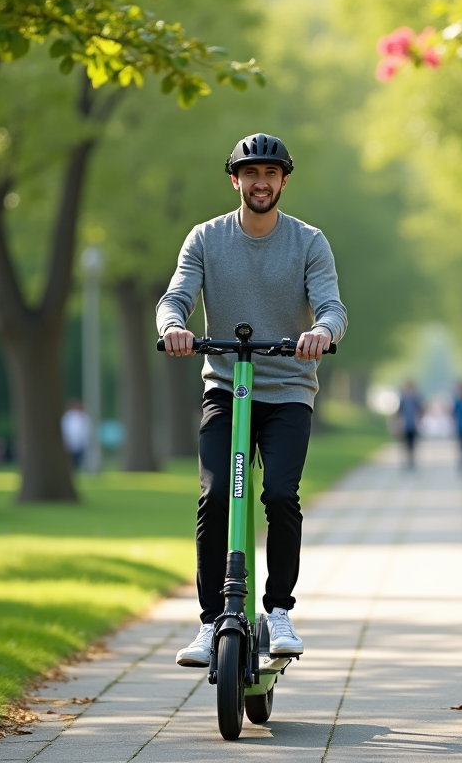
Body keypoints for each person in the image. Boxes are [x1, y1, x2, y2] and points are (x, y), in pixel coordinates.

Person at [156, 133, 347, 666]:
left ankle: (278, 610)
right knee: (217, 497)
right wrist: (174, 326)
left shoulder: (309, 242)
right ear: (234, 179)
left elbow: (332, 307)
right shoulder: (205, 238)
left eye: (271, 173)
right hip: (226, 389)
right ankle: (210, 619)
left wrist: (321, 333)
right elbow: (176, 296)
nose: (260, 183)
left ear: (284, 180)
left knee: (281, 495)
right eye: (250, 173)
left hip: (287, 392)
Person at [396, 381, 422, 469]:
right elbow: (399, 412)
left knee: (413, 444)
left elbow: (420, 411)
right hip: (404, 425)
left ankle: (411, 461)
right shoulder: (402, 399)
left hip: (413, 425)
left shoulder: (416, 399)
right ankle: (407, 461)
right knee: (405, 444)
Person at [61, 399, 90, 470]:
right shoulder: (68, 417)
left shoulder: (83, 417)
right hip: (70, 443)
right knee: (72, 459)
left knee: (79, 459)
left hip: (80, 443)